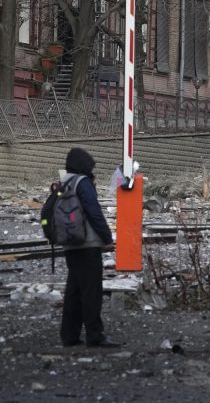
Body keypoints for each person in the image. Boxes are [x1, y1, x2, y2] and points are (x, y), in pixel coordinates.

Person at [59, 147, 120, 348]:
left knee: (74, 292)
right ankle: (95, 335)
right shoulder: (82, 183)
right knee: (91, 292)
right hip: (87, 244)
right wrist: (106, 236)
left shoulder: (64, 182)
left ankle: (69, 335)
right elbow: (93, 212)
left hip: (70, 243)